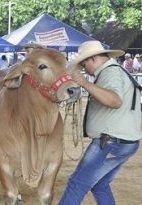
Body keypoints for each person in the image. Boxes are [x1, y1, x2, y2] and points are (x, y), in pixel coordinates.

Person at [59, 41, 141, 205]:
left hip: (111, 141)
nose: (84, 69)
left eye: (84, 64)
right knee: (100, 185)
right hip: (124, 141)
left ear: (93, 59)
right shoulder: (115, 71)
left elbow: (114, 100)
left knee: (77, 183)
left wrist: (84, 83)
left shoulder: (110, 73)